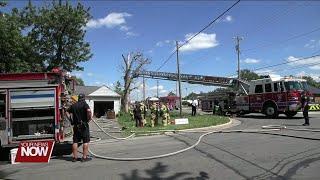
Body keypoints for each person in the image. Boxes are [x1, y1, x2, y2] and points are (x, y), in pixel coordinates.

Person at [68, 93, 92, 162]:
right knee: (85, 141)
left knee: (75, 141)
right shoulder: (85, 104)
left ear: (78, 98)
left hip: (76, 126)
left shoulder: (74, 105)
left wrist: (71, 120)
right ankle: (84, 158)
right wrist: (89, 118)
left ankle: (75, 157)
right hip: (84, 125)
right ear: (84, 98)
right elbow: (88, 111)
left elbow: (66, 112)